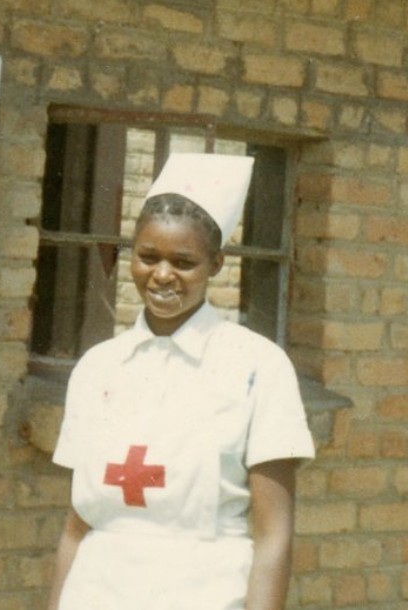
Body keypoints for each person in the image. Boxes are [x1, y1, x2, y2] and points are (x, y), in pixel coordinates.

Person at [46, 153, 315, 610]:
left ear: (216, 264)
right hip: (95, 594)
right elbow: (77, 525)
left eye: (184, 261)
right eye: (148, 257)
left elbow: (273, 537)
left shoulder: (257, 367)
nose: (163, 275)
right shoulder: (98, 367)